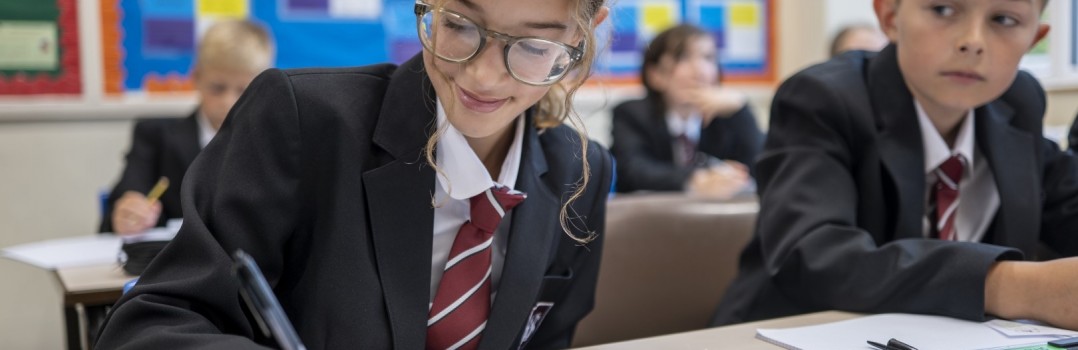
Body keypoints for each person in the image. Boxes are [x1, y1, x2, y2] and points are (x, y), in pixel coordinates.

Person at [95, 0, 613, 349]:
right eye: (458, 25)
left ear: (582, 40)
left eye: (533, 46)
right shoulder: (301, 117)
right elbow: (151, 324)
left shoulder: (580, 173)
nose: (481, 74)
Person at [713, 0, 1078, 331]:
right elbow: (814, 257)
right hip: (786, 331)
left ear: (1034, 37)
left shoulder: (1017, 101)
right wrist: (1010, 286)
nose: (973, 41)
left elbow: (1066, 202)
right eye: (943, 10)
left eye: (1004, 19)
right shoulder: (823, 97)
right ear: (889, 16)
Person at [100, 20, 274, 235]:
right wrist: (127, 213)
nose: (229, 102)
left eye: (243, 91)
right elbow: (119, 207)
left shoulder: (274, 146)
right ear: (197, 78)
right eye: (217, 88)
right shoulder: (155, 138)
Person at [610, 24, 763, 197]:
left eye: (708, 58)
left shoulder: (728, 116)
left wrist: (741, 111)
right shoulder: (632, 114)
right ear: (655, 75)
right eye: (683, 58)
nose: (700, 71)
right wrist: (697, 179)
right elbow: (633, 171)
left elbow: (763, 168)